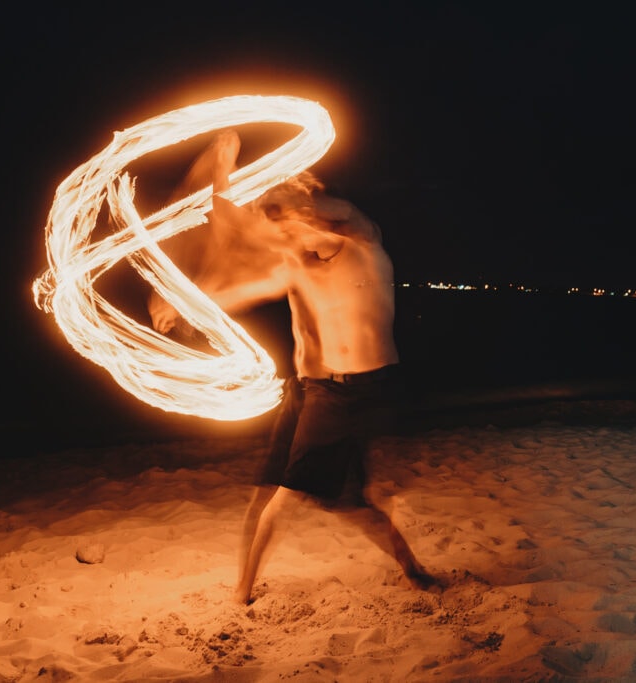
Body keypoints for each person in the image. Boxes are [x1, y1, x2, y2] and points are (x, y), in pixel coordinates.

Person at [152, 131, 439, 604]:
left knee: (286, 496)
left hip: (351, 392)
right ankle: (412, 570)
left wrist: (260, 188)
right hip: (308, 387)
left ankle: (241, 596)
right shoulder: (296, 261)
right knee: (321, 497)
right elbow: (245, 265)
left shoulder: (358, 242)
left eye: (282, 213)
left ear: (311, 208)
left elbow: (316, 221)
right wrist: (186, 306)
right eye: (273, 216)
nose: (277, 226)